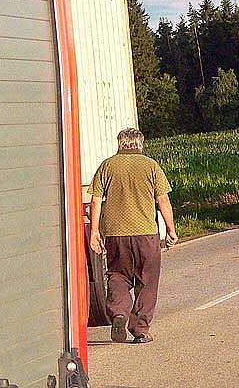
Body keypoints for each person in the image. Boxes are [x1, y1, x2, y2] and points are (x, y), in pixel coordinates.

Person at [88, 128, 179, 344]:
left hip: (115, 235)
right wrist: (171, 230)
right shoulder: (150, 166)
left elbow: (95, 201)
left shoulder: (107, 166)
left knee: (118, 276)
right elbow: (163, 201)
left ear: (120, 143)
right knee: (147, 281)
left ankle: (119, 313)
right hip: (145, 234)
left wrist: (94, 232)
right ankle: (140, 329)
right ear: (140, 144)